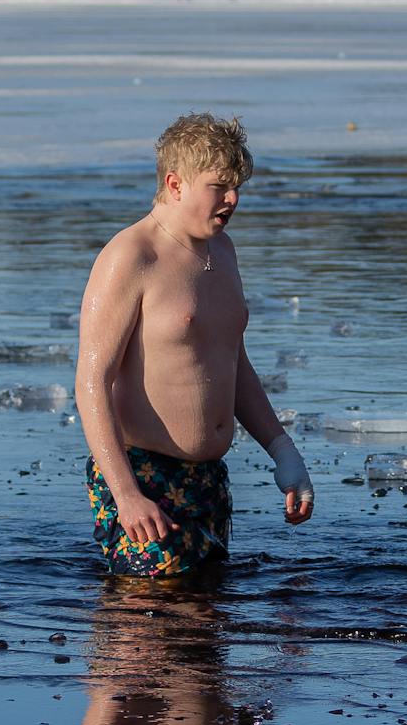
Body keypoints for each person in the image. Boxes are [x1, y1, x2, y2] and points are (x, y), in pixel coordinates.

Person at [74, 113, 313, 575]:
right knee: (149, 626)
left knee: (205, 628)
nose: (233, 199)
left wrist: (284, 452)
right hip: (142, 475)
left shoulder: (221, 251)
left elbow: (233, 363)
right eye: (219, 186)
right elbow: (91, 384)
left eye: (238, 186)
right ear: (176, 183)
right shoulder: (130, 256)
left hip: (207, 482)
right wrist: (125, 494)